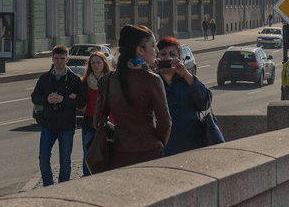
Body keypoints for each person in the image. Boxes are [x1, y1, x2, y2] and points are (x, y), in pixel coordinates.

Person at [95, 25, 171, 169]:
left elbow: (98, 121)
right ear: (140, 50)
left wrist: (118, 133)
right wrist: (157, 143)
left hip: (119, 153)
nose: (156, 51)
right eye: (153, 46)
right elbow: (165, 123)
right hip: (149, 153)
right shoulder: (152, 80)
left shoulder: (108, 80)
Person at [30, 45, 87, 186]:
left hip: (66, 126)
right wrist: (46, 99)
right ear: (52, 58)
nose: (59, 61)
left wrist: (64, 99)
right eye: (57, 58)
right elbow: (35, 96)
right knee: (43, 158)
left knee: (65, 161)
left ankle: (63, 187)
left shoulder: (74, 79)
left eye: (62, 58)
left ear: (67, 59)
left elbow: (82, 101)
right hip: (48, 125)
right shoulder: (45, 78)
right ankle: (48, 186)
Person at [156, 36, 212, 157]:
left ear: (179, 57)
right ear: (157, 57)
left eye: (172, 54)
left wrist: (185, 73)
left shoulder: (187, 80)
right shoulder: (152, 82)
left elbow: (205, 103)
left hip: (190, 148)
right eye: (163, 54)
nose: (167, 58)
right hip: (162, 151)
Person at [80, 51, 112, 176]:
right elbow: (82, 105)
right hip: (88, 122)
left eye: (98, 62)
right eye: (93, 63)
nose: (96, 65)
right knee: (88, 155)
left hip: (107, 122)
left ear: (104, 63)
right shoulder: (85, 82)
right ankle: (87, 179)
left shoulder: (110, 80)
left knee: (107, 153)